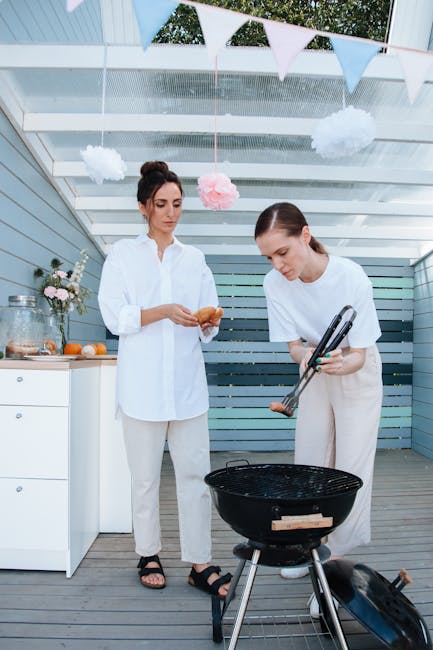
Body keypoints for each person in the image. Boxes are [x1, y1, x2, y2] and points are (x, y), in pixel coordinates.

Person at [98, 161, 231, 598]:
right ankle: (148, 553)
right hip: (141, 389)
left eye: (176, 204)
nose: (170, 213)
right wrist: (162, 311)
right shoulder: (122, 255)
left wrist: (207, 322)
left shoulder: (195, 259)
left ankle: (199, 562)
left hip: (188, 389)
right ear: (143, 207)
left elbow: (207, 317)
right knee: (144, 479)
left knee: (196, 476)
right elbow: (114, 317)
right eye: (161, 204)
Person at [254, 202, 383, 616]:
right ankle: (307, 549)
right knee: (310, 463)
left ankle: (335, 571)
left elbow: (359, 355)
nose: (278, 265)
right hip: (315, 368)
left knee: (349, 468)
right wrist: (307, 356)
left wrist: (340, 362)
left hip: (355, 371)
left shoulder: (350, 276)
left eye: (283, 252)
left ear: (305, 236)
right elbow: (294, 345)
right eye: (269, 257)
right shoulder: (274, 285)